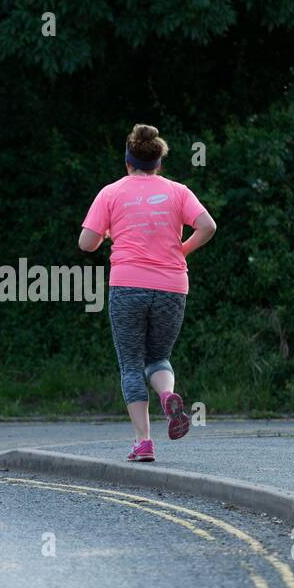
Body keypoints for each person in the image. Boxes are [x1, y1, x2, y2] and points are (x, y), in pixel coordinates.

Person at [78, 124, 217, 462]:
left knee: (130, 364)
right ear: (159, 163)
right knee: (157, 357)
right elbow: (208, 226)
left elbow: (86, 243)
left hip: (128, 285)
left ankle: (143, 442)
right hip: (172, 286)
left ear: (128, 162)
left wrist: (109, 234)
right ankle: (167, 395)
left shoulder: (111, 192)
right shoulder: (179, 191)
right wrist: (180, 251)